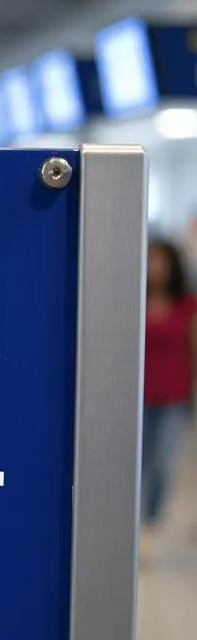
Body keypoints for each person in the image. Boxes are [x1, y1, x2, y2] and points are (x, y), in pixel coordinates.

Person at [141, 239, 196, 559]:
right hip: (138, 400)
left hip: (173, 398)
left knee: (162, 465)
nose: (155, 267)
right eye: (151, 260)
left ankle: (150, 523)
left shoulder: (187, 305)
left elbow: (193, 350)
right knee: (137, 464)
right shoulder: (134, 299)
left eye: (161, 261)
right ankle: (132, 519)